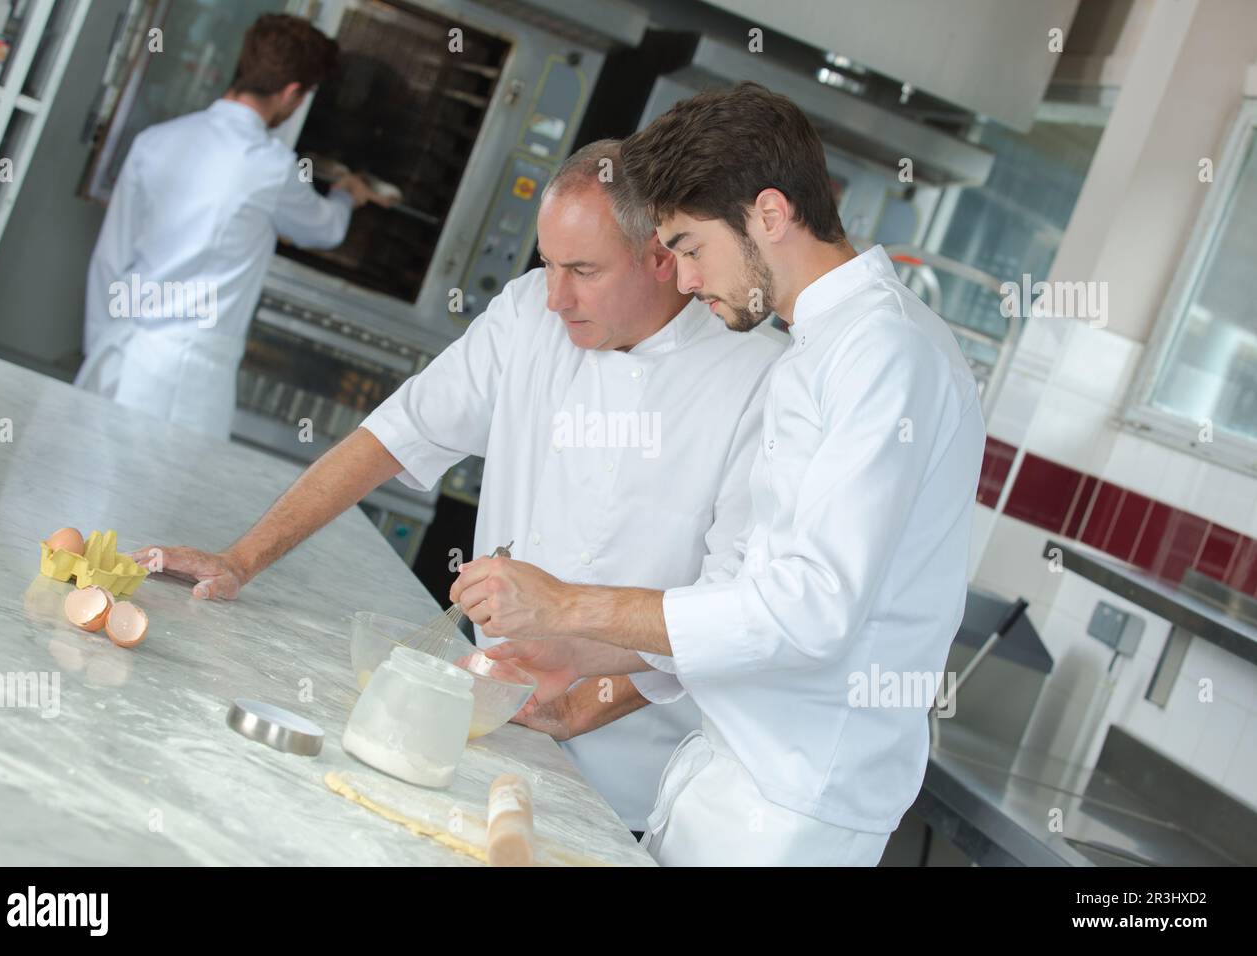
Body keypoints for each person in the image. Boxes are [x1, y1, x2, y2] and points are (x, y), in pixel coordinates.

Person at [135, 140, 784, 835]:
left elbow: (727, 613)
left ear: (663, 258)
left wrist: (585, 705)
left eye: (583, 271)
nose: (555, 295)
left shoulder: (759, 381)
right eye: (547, 264)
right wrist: (241, 560)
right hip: (478, 729)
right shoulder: (528, 317)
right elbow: (393, 436)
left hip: (621, 787)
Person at [449, 83, 988, 866]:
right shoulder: (823, 348)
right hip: (726, 775)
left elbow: (808, 613)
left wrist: (568, 602)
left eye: (693, 247)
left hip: (791, 808)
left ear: (769, 215)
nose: (687, 279)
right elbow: (741, 591)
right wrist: (582, 653)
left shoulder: (885, 354)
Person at [75, 13, 388, 439]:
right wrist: (347, 195)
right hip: (185, 379)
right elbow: (324, 230)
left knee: (86, 493)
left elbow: (109, 262)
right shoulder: (272, 167)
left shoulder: (156, 140)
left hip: (118, 357)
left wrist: (99, 347)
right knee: (161, 502)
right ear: (292, 92)